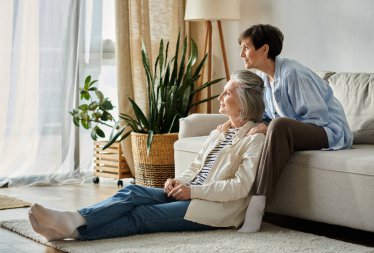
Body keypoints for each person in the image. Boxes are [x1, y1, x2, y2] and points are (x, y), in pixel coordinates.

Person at [27, 70, 267, 241]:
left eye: (226, 93)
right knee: (132, 191)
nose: (219, 97)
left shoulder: (254, 139)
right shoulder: (219, 131)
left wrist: (192, 191)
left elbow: (239, 187)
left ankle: (73, 230)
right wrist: (179, 181)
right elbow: (195, 166)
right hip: (188, 193)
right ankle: (74, 219)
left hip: (213, 209)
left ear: (244, 101)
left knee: (143, 215)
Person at [237, 24, 353, 205]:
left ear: (265, 49)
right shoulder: (266, 79)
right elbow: (266, 116)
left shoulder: (293, 74)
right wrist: (238, 122)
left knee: (277, 126)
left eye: (246, 47)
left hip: (328, 131)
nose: (241, 54)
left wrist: (270, 127)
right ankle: (231, 196)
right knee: (255, 127)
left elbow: (317, 118)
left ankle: (257, 205)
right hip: (299, 129)